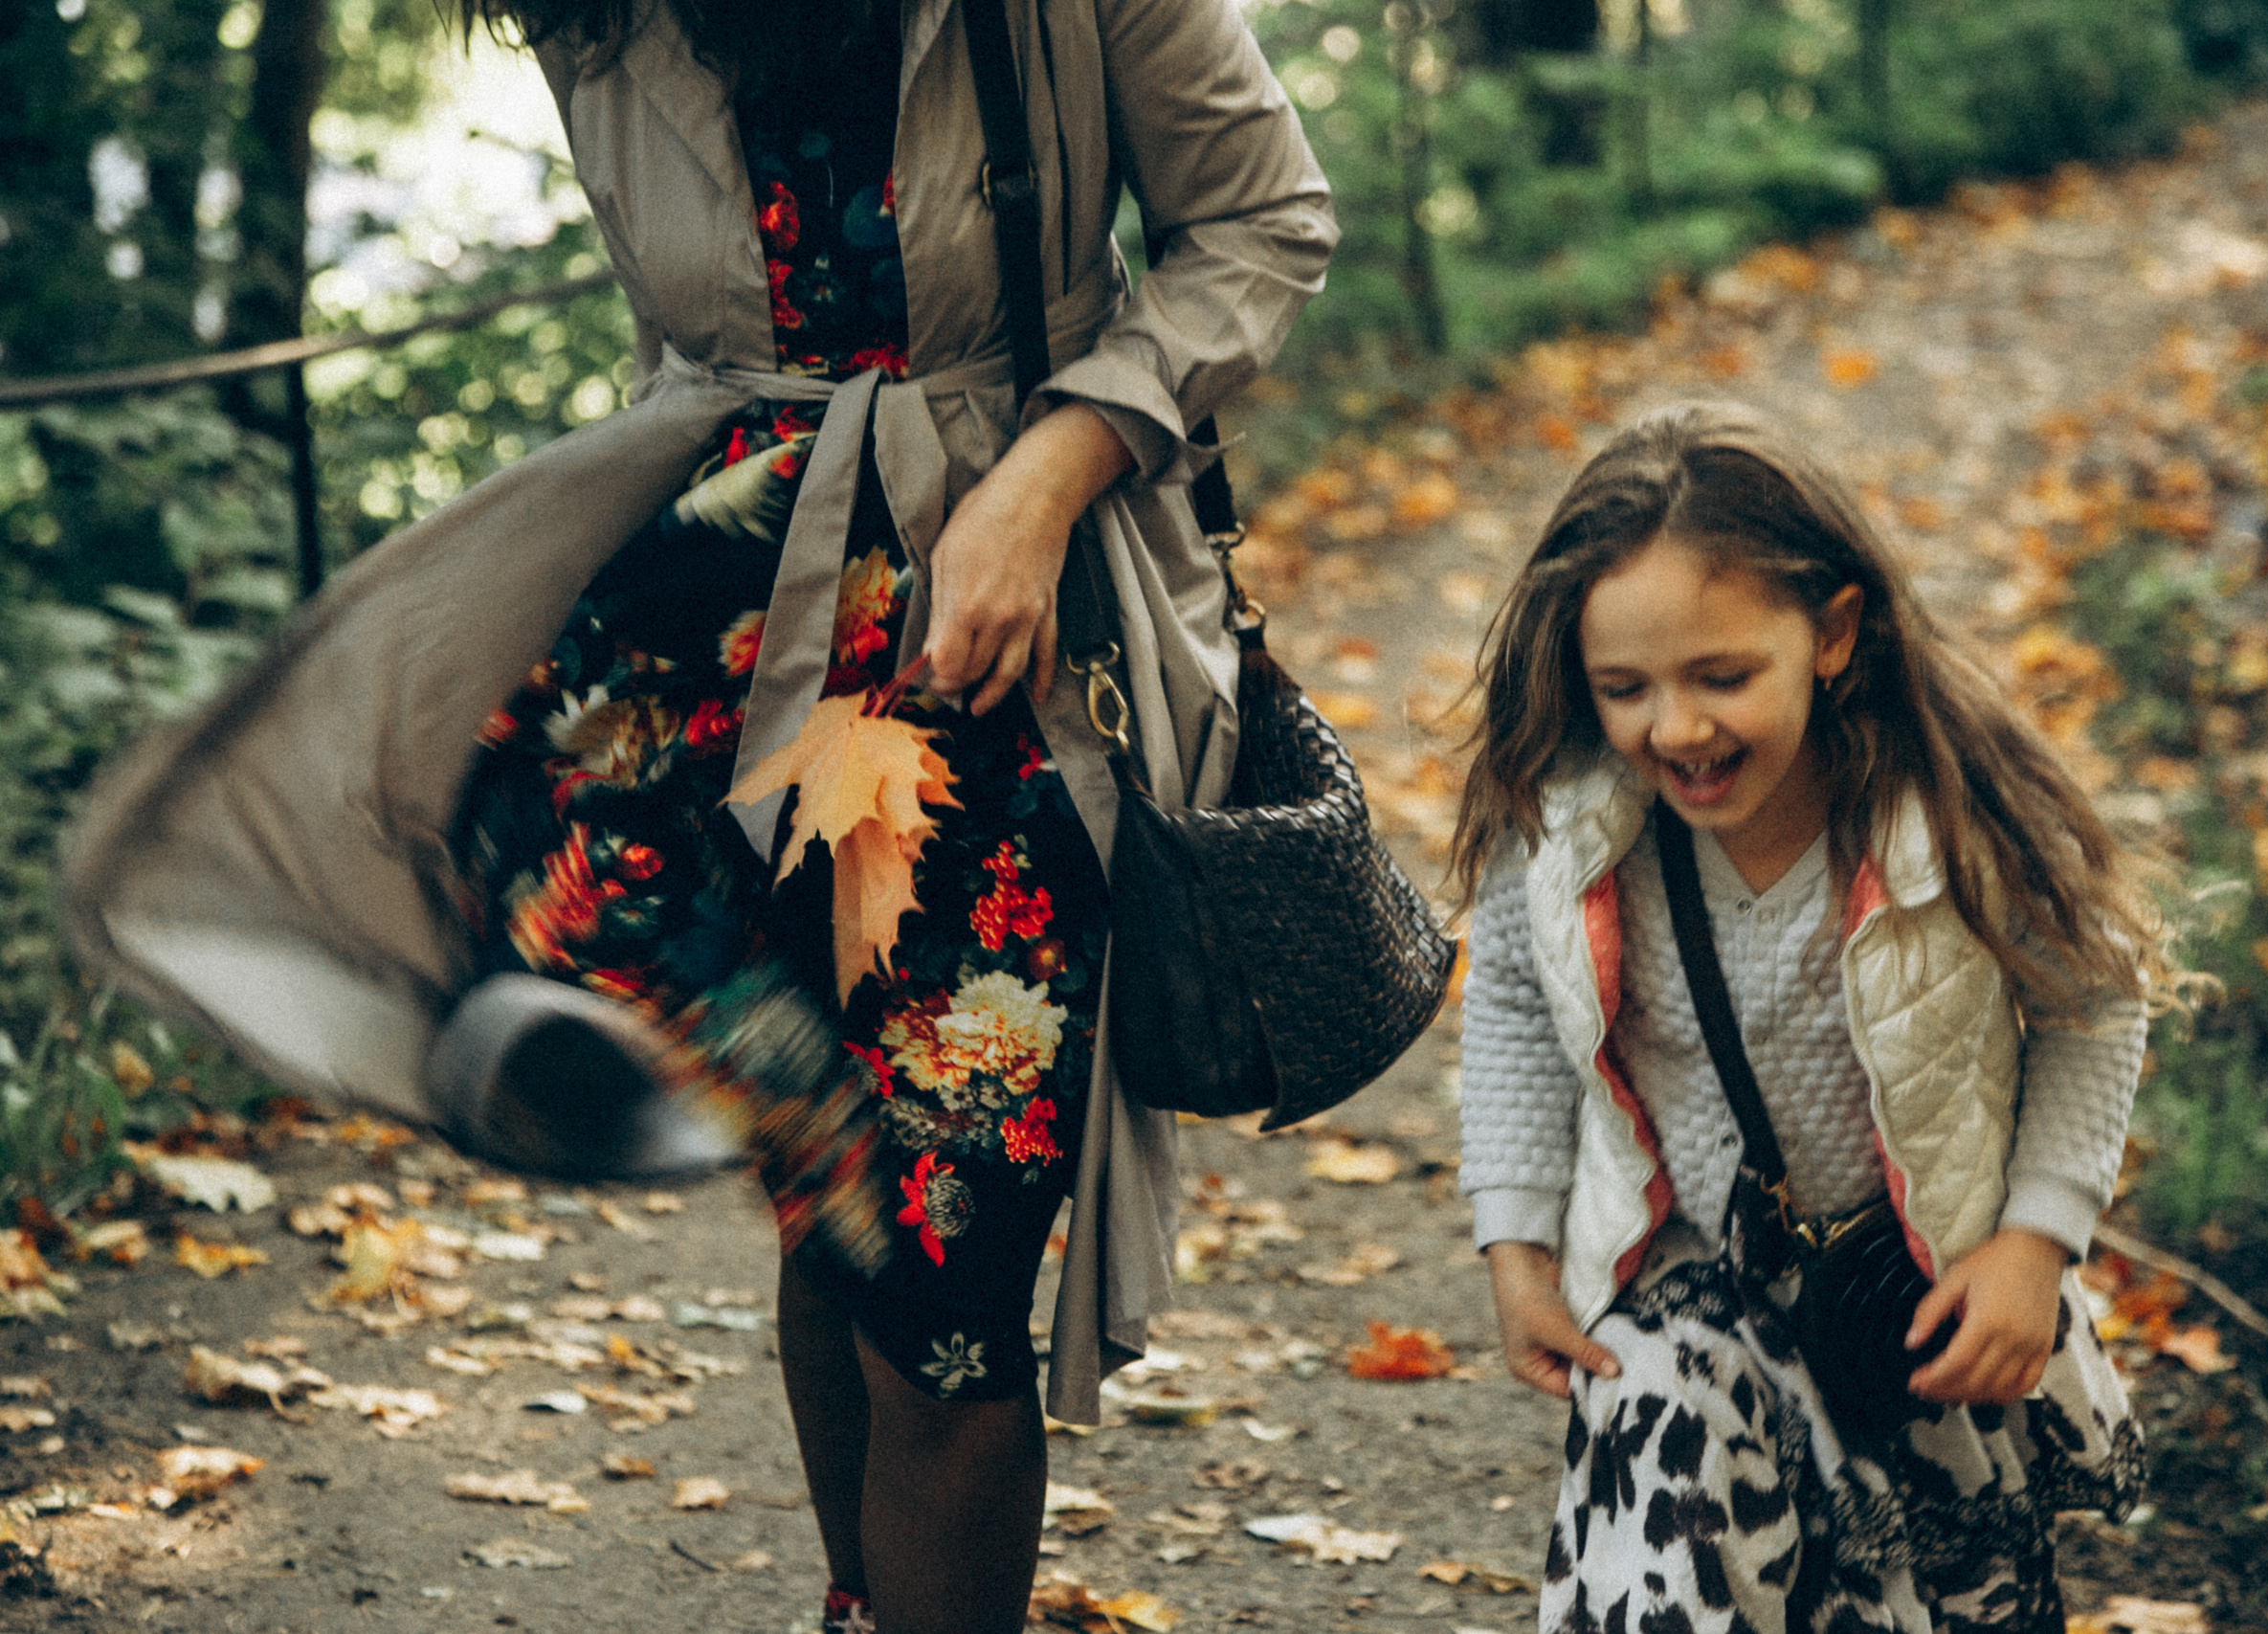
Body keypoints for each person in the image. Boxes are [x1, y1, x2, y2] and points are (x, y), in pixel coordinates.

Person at [60, 3, 1333, 1630]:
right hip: (727, 627)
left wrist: (1054, 468)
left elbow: (1265, 219)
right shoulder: (599, 13)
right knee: (815, 1187)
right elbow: (689, 342)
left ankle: (786, 1128)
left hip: (994, 654)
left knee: (940, 1298)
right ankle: (762, 1160)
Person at [1450, 400, 2180, 1633]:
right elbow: (1517, 1008)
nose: (1674, 728)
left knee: (1941, 1606)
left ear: (1834, 633)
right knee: (1660, 1581)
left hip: (1921, 1291)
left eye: (1722, 676)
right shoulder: (1571, 832)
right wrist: (1516, 1247)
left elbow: (2093, 1005)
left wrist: (2034, 1244)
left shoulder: (1942, 811)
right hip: (1687, 1290)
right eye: (1623, 688)